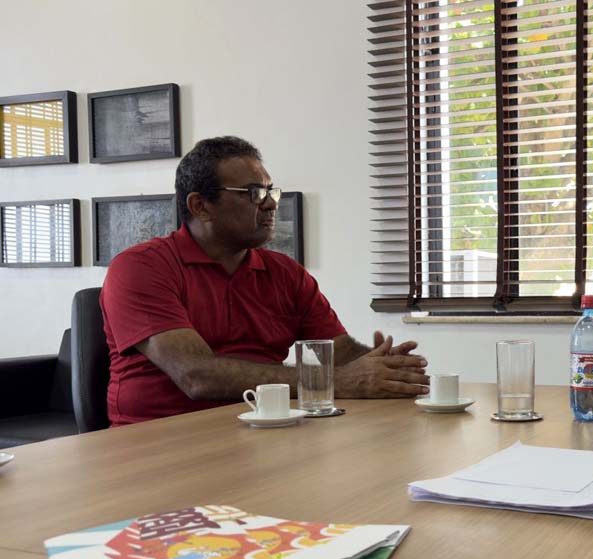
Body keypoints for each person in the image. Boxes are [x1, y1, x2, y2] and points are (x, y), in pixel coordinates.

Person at [101, 136, 428, 427]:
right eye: (254, 193)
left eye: (271, 191)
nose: (271, 203)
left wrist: (384, 367)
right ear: (201, 206)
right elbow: (196, 374)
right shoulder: (141, 267)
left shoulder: (285, 273)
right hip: (158, 441)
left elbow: (338, 352)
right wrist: (335, 381)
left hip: (264, 428)